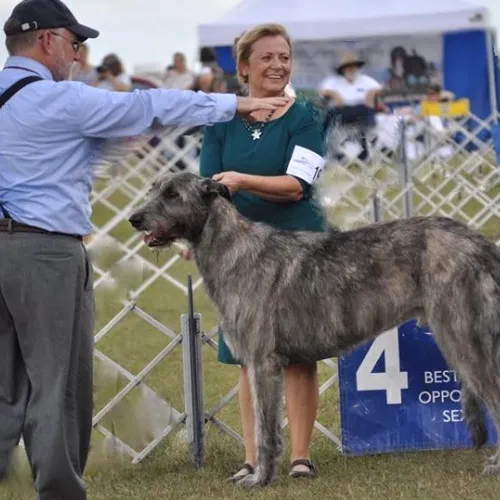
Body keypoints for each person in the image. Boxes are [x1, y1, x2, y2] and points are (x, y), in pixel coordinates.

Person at [0, 1, 289, 499]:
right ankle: (60, 493)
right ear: (47, 40)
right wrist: (234, 105)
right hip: (44, 253)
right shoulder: (59, 99)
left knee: (5, 390)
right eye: (75, 43)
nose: (78, 54)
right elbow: (148, 107)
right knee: (58, 387)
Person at [198, 23, 327, 481]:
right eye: (267, 57)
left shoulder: (307, 115)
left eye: (285, 57)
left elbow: (297, 186)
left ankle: (300, 457)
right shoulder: (220, 120)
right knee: (249, 357)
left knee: (298, 352)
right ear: (244, 67)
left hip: (299, 250)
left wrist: (243, 180)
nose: (278, 65)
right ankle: (252, 458)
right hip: (238, 256)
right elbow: (208, 188)